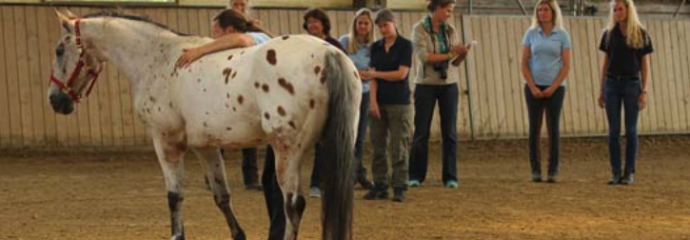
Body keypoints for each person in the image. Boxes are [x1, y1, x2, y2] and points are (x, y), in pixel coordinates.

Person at [408, 0, 470, 189]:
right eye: (448, 10)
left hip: (449, 84)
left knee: (450, 132)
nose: (450, 14)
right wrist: (451, 54)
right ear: (437, 9)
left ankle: (450, 176)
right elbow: (424, 57)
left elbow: (456, 63)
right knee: (421, 132)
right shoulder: (419, 29)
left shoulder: (451, 30)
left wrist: (462, 54)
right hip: (425, 85)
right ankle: (416, 175)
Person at [598, 0, 653, 185]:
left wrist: (644, 90)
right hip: (612, 84)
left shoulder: (640, 33)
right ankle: (615, 171)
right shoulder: (609, 35)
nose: (617, 13)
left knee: (631, 130)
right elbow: (606, 62)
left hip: (632, 84)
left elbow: (644, 64)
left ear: (628, 10)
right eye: (614, 10)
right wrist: (601, 89)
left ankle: (629, 171)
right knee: (613, 131)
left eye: (620, 9)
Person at [361, 9, 413, 202]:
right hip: (379, 101)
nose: (383, 29)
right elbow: (372, 77)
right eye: (380, 26)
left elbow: (401, 74)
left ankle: (399, 186)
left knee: (399, 145)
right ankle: (380, 185)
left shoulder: (405, 45)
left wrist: (375, 75)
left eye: (386, 25)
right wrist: (372, 101)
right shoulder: (376, 47)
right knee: (378, 146)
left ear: (394, 23)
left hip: (400, 102)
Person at [520, 0, 571, 183]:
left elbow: (565, 66)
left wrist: (553, 87)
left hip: (555, 88)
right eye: (539, 10)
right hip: (534, 86)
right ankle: (535, 169)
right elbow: (524, 62)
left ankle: (553, 170)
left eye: (546, 9)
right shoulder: (531, 34)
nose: (542, 13)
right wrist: (532, 86)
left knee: (553, 128)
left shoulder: (562, 35)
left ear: (553, 11)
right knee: (535, 128)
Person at [302, 7, 345, 198]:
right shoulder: (306, 45)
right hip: (311, 100)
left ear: (323, 24)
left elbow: (343, 69)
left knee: (329, 143)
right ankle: (316, 183)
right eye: (309, 22)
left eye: (315, 21)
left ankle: (325, 183)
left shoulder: (333, 45)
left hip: (331, 99)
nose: (312, 25)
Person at [339, 8, 375, 190]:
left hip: (366, 94)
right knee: (347, 135)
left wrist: (366, 74)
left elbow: (374, 72)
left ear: (370, 26)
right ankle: (352, 172)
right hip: (347, 93)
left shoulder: (374, 46)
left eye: (365, 23)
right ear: (355, 24)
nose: (362, 26)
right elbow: (340, 66)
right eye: (359, 23)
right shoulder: (345, 42)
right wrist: (359, 74)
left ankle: (356, 173)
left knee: (359, 136)